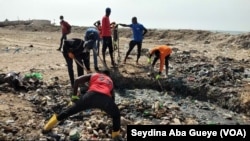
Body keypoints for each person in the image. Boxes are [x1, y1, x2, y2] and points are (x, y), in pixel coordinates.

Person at [42, 70, 122, 140]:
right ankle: (115, 135)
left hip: (90, 97)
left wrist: (74, 96)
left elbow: (77, 80)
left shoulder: (95, 74)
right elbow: (112, 97)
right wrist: (108, 109)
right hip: (105, 100)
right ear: (108, 75)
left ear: (101, 73)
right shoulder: (110, 81)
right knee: (116, 115)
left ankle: (47, 127)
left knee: (69, 111)